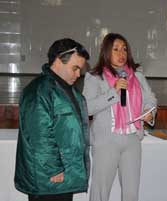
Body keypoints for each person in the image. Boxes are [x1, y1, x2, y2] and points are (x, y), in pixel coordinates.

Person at [82, 33, 157, 201]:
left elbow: (151, 98)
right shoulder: (94, 77)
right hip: (107, 140)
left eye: (124, 49)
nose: (121, 53)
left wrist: (149, 111)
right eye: (115, 49)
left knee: (131, 192)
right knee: (100, 191)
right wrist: (112, 92)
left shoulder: (136, 76)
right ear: (106, 52)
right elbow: (87, 108)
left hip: (132, 138)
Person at [14, 38, 90, 201]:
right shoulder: (38, 91)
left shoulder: (65, 89)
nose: (78, 74)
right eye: (75, 68)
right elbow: (38, 135)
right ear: (58, 61)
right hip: (48, 179)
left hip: (63, 177)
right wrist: (54, 168)